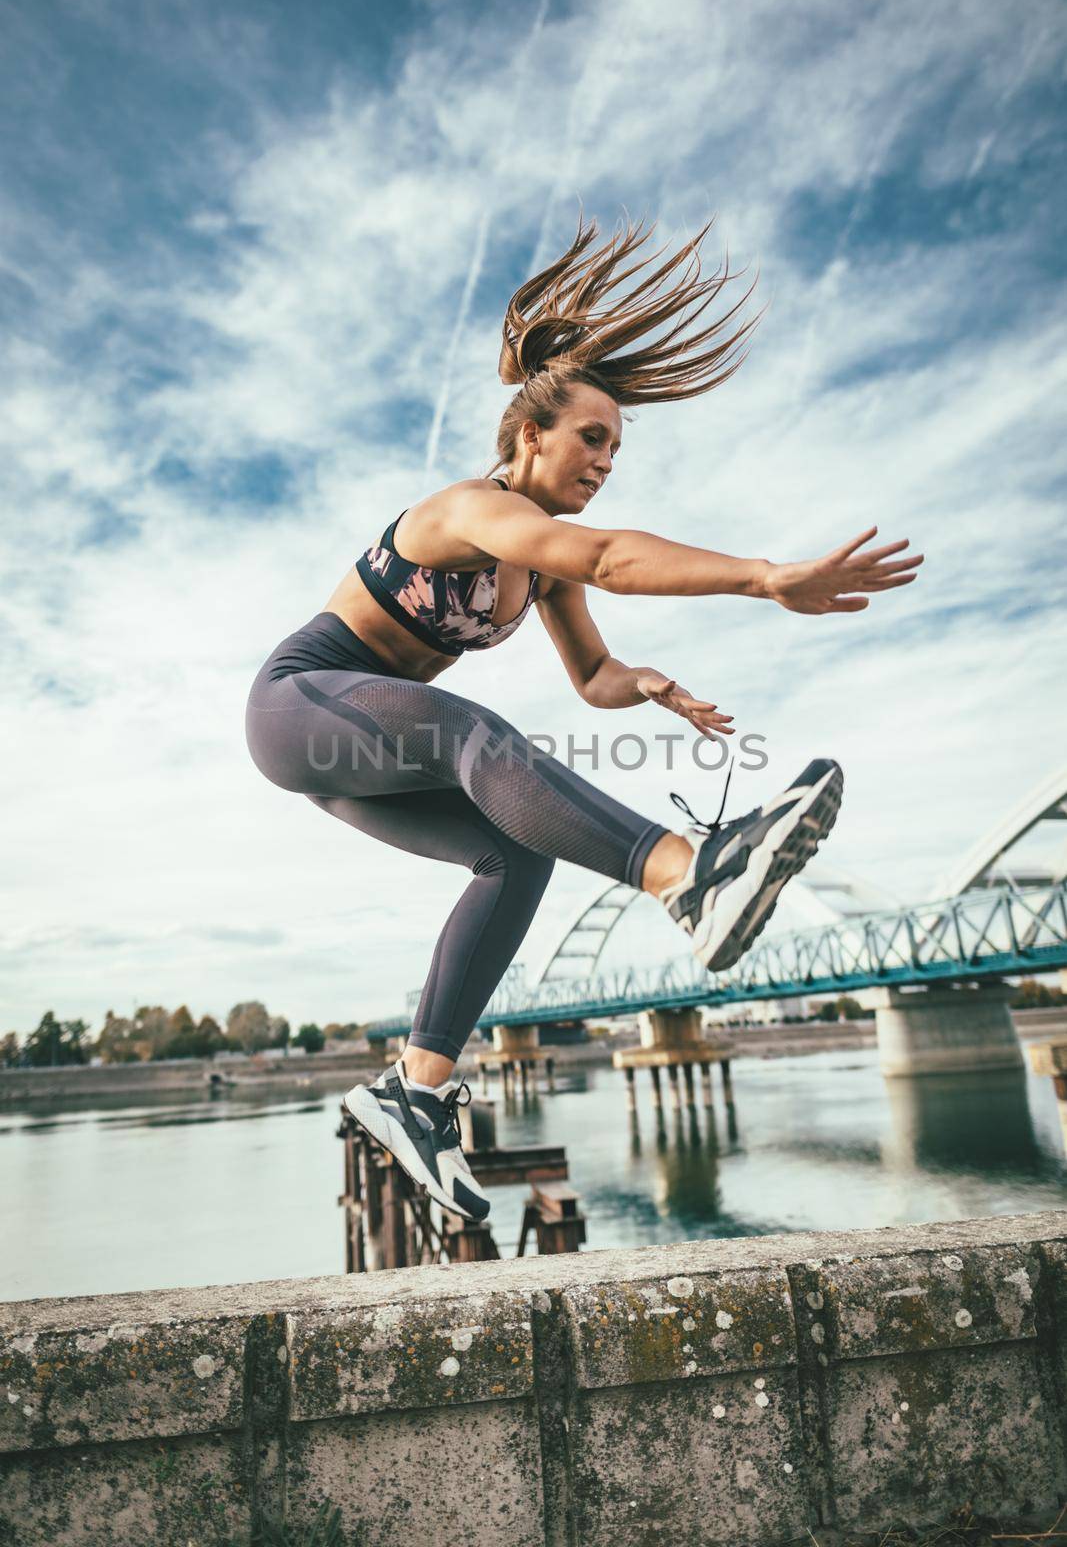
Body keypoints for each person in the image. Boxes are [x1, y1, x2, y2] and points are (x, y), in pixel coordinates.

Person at [244, 210, 923, 1224]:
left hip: (368, 748)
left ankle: (413, 1091)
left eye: (614, 446)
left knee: (517, 852)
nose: (605, 461)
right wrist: (763, 575)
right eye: (591, 439)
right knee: (471, 732)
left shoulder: (534, 564)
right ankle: (686, 874)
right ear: (529, 434)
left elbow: (590, 673)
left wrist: (643, 685)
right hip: (298, 706)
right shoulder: (470, 511)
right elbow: (608, 554)